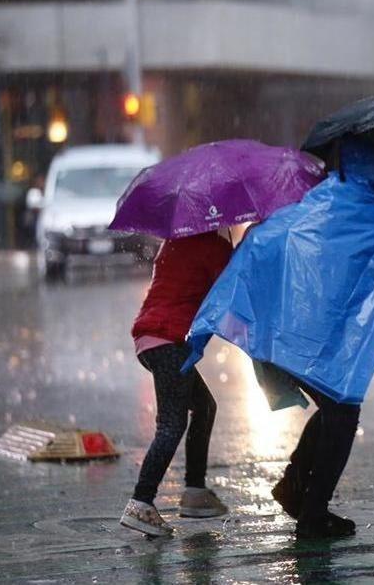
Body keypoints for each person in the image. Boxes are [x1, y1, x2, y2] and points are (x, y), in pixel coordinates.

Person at [183, 138, 374, 538]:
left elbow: (264, 242)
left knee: (335, 409)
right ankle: (311, 510)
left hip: (282, 339)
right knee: (342, 411)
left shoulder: (310, 203)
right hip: (317, 349)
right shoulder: (372, 219)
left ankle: (297, 489)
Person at [119, 229, 233, 537]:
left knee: (204, 407)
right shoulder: (212, 245)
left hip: (150, 338)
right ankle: (141, 501)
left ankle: (195, 491)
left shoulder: (174, 241)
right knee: (171, 424)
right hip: (169, 339)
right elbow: (231, 288)